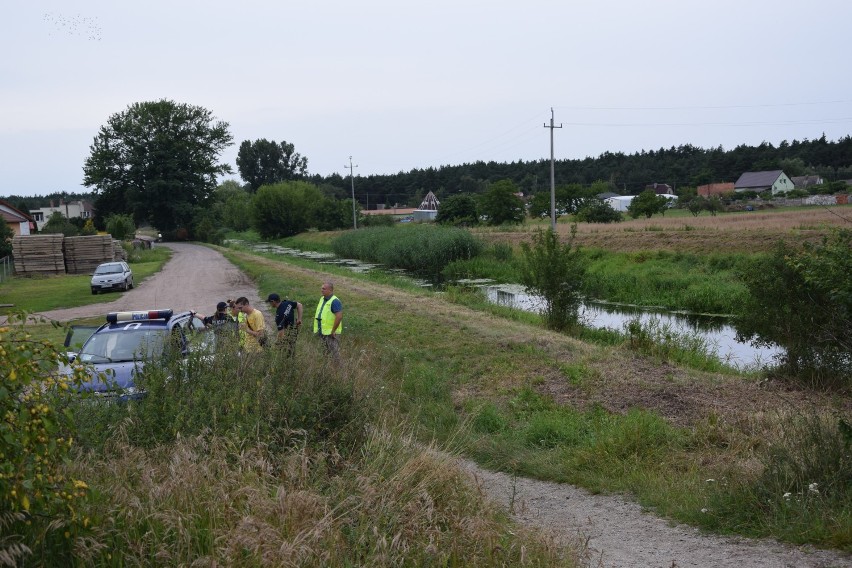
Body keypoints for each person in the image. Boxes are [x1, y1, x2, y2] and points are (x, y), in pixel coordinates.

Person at [267, 292, 303, 358]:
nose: (270, 304)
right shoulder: (287, 303)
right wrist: (299, 319)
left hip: (287, 335)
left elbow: (281, 332)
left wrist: (277, 343)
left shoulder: (279, 315)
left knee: (285, 354)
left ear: (273, 301)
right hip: (294, 330)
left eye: (270, 302)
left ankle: (288, 364)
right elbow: (299, 305)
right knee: (292, 350)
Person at [313, 281, 342, 360]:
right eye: (321, 288)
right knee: (325, 353)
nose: (322, 290)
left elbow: (339, 317)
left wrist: (333, 331)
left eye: (324, 289)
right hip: (322, 331)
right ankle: (327, 370)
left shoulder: (335, 301)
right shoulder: (322, 299)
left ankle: (338, 371)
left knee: (335, 355)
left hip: (331, 333)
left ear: (330, 290)